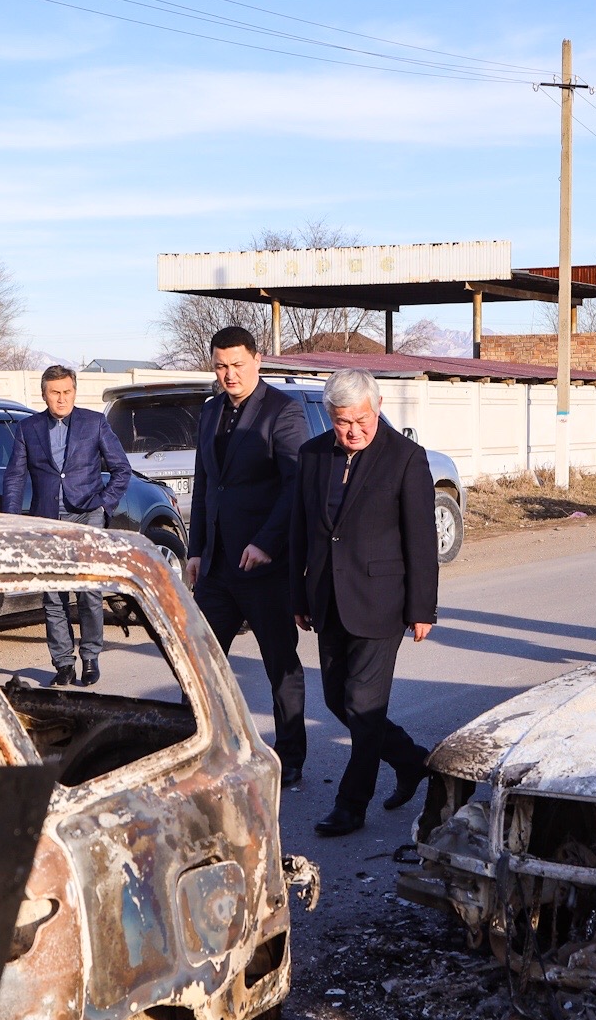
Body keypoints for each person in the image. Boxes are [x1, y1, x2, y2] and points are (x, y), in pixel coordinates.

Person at [289, 369, 437, 837]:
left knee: (363, 703)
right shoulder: (312, 456)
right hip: (327, 599)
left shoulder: (406, 458)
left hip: (382, 601)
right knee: (337, 699)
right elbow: (301, 531)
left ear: (376, 409)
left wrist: (421, 608)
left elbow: (421, 538)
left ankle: (351, 805)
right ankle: (413, 761)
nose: (352, 430)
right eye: (341, 422)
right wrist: (299, 594)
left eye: (361, 420)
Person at [186, 326, 309, 788]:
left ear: (257, 360)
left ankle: (291, 755)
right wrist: (197, 549)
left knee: (280, 663)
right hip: (217, 567)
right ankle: (203, 748)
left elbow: (294, 485)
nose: (229, 374)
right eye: (221, 365)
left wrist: (267, 543)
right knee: (201, 663)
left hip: (265, 567)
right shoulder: (209, 411)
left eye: (237, 364)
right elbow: (205, 485)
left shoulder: (284, 412)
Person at [4, 365, 134, 685]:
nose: (61, 399)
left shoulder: (94, 423)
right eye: (54, 393)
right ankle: (63, 663)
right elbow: (15, 477)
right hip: (47, 521)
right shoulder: (28, 428)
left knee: (89, 591)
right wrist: (9, 521)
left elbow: (121, 470)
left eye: (67, 392)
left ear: (74, 392)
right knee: (53, 596)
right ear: (44, 394)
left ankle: (90, 657)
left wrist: (104, 507)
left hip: (87, 516)